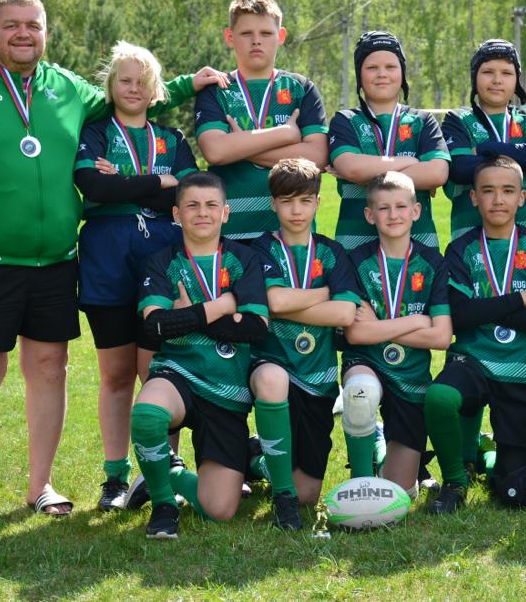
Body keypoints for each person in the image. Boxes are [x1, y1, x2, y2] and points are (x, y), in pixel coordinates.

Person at [0, 0, 225, 521]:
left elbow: (129, 97)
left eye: (33, 25)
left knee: (49, 368)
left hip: (56, 260)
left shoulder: (66, 87)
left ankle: (41, 485)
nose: (23, 33)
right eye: (11, 25)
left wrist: (182, 85)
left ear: (45, 33)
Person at [74, 41, 201, 511]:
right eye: (124, 80)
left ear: (155, 91)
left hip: (162, 259)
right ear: (111, 86)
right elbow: (93, 184)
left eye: (142, 82)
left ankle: (165, 468)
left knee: (161, 370)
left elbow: (187, 194)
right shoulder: (94, 132)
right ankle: (115, 477)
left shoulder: (172, 139)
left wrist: (124, 183)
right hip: (106, 259)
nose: (133, 88)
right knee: (115, 374)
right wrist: (157, 182)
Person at [441, 39, 526, 464]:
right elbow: (458, 167)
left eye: (506, 73)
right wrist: (522, 151)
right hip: (474, 239)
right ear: (474, 78)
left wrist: (487, 153)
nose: (497, 80)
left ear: (517, 81)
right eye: (488, 72)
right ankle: (468, 448)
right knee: (472, 337)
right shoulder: (457, 120)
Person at [425, 157, 526, 515]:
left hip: (521, 369)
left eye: (507, 191)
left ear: (522, 197)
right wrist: (519, 299)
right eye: (488, 191)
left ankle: (487, 455)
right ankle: (455, 482)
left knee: (512, 487)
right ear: (474, 197)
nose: (498, 200)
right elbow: (460, 316)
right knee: (440, 397)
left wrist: (485, 309)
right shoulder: (461, 248)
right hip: (472, 361)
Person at [130, 171, 270, 539]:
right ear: (177, 214)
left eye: (211, 205)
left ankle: (176, 473)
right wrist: (221, 305)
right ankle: (164, 504)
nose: (202, 213)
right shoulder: (161, 261)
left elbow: (255, 327)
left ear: (226, 212)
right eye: (192, 205)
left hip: (227, 389)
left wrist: (188, 316)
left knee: (218, 510)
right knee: (147, 414)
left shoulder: (245, 259)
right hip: (177, 372)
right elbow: (155, 327)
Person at [245, 158, 361, 529]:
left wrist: (288, 303)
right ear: (273, 204)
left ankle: (255, 459)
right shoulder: (261, 249)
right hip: (272, 364)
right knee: (272, 379)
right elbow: (274, 301)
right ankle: (282, 497)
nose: (296, 210)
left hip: (318, 377)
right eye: (287, 201)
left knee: (308, 494)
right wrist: (325, 293)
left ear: (317, 202)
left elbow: (345, 313)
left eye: (305, 201)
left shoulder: (332, 252)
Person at [341, 171, 453, 500]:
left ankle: (378, 445)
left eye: (401, 207)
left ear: (416, 211)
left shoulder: (432, 263)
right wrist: (416, 320)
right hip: (366, 362)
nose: (393, 215)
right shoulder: (356, 261)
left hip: (411, 375)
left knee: (402, 493)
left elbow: (441, 337)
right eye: (384, 208)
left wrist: (380, 327)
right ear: (369, 215)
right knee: (360, 393)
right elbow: (356, 334)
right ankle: (359, 483)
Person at [195, 0, 329, 241]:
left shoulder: (301, 88)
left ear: (281, 36)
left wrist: (240, 145)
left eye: (266, 33)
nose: (256, 41)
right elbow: (215, 151)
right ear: (230, 37)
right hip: (231, 234)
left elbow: (317, 158)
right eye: (246, 33)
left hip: (290, 236)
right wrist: (285, 135)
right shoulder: (216, 89)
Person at [328, 30, 450, 250]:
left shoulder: (423, 121)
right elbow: (352, 168)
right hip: (354, 250)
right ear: (359, 74)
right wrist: (411, 163)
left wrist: (368, 172)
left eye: (391, 67)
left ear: (402, 73)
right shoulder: (345, 120)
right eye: (372, 67)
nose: (382, 74)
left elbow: (437, 173)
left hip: (420, 250)